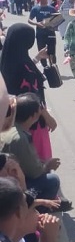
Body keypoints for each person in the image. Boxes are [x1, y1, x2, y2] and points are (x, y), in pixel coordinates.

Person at [0, 24, 58, 160]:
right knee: (38, 163)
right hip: (33, 121)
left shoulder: (6, 60)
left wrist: (36, 58)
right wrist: (49, 119)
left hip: (11, 122)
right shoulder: (25, 69)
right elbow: (32, 97)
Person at [1, 94, 68, 207]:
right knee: (52, 180)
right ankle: (37, 211)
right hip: (10, 185)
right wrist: (48, 165)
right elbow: (35, 173)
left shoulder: (7, 129)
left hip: (6, 180)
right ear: (35, 116)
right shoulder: (20, 138)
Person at [27, 0, 57, 66]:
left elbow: (57, 19)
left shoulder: (51, 8)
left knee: (52, 52)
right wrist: (36, 23)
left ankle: (53, 67)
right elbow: (29, 20)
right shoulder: (35, 8)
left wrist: (54, 25)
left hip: (50, 33)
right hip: (40, 33)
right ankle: (45, 68)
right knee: (41, 51)